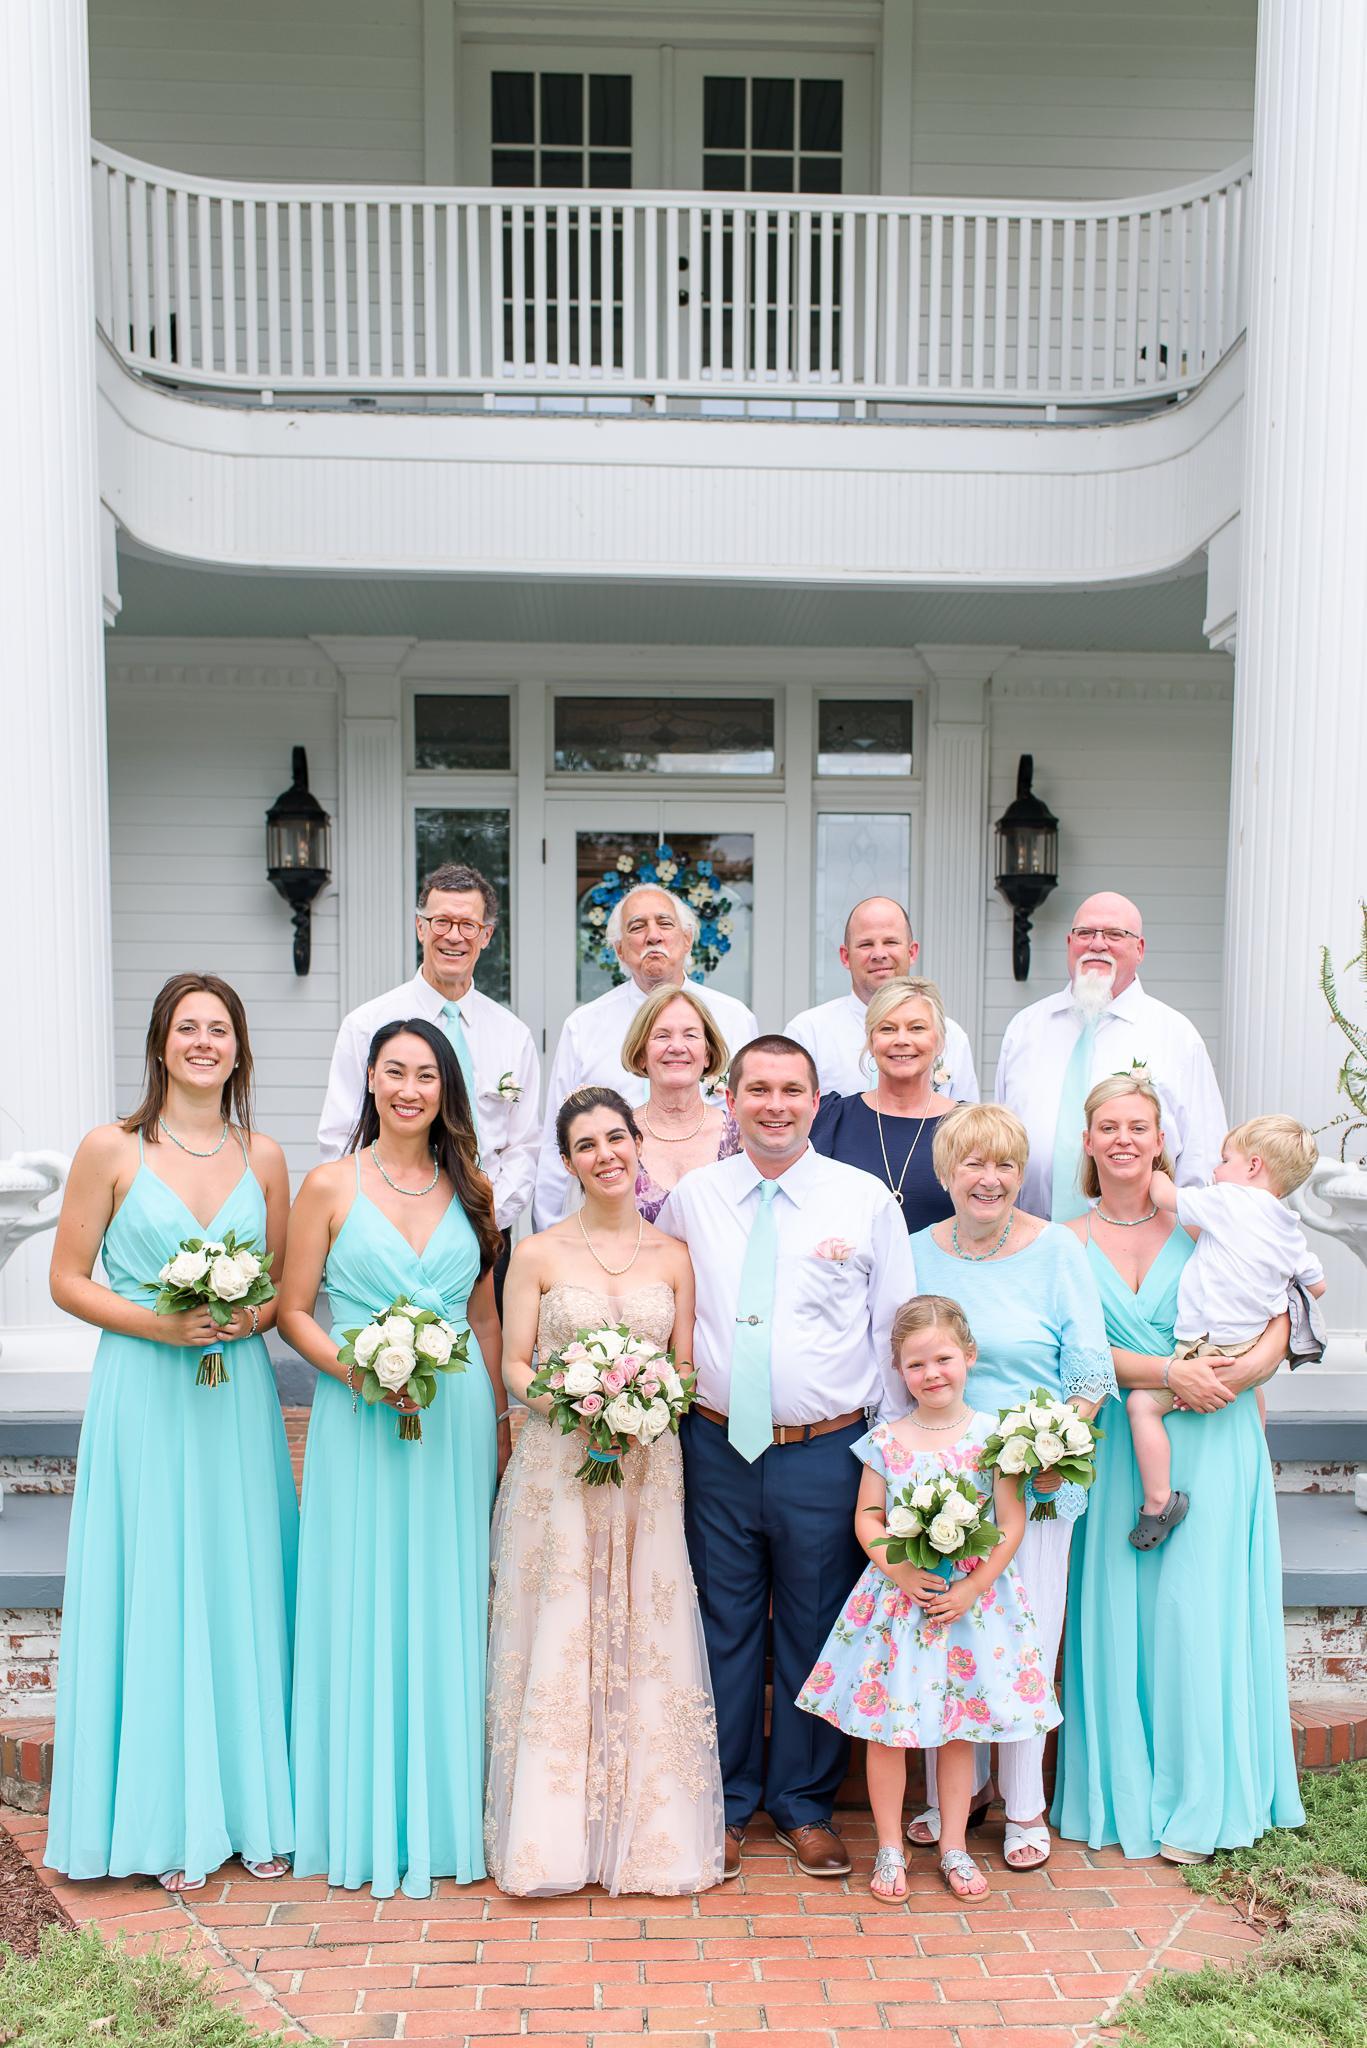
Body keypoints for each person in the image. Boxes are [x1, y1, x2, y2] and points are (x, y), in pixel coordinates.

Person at [45, 974, 296, 1892]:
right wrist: (163, 1324)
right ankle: (161, 1817)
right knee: (154, 1580)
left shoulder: (263, 1156)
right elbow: (67, 1280)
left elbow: (278, 1289)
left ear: (238, 1050)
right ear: (159, 1044)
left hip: (233, 1398)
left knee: (238, 1580)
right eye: (186, 1027)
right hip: (145, 1393)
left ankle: (254, 1809)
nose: (202, 1042)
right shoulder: (110, 1148)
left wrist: (241, 1316)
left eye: (218, 1029)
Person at [656, 1035, 917, 1882]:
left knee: (813, 1628)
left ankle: (804, 1805)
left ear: (814, 1100)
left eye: (791, 1090)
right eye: (758, 1089)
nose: (775, 1105)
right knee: (722, 1628)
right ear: (729, 1099)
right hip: (714, 1445)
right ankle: (726, 1803)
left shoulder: (861, 1198)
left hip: (825, 1452)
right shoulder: (694, 1198)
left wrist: (890, 1460)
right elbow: (663, 1302)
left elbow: (893, 1327)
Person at [281, 1019, 507, 1898]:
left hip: (454, 1421)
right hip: (357, 1414)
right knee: (360, 1591)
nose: (410, 1089)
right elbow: (294, 1311)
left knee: (449, 1596)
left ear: (445, 1091)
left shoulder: (472, 1187)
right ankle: (361, 1810)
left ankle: (446, 1813)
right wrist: (358, 1372)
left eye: (426, 1076)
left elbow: (482, 1319)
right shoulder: (329, 1185)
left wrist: (500, 1426)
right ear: (370, 1081)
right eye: (394, 1072)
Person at [1053, 1074, 1304, 1862]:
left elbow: (1281, 1314)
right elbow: (1070, 1351)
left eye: (1138, 1125)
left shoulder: (1210, 1220)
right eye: (1107, 1126)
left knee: (1198, 1614)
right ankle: (1125, 1792)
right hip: (1118, 1445)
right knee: (1124, 1614)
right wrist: (1167, 1373)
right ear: (1087, 1141)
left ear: (1161, 1140)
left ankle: (1205, 1799)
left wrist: (1241, 1373)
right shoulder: (1063, 1240)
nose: (1123, 1139)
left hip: (1215, 1431)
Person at [485, 1086, 725, 1896]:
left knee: (643, 1629)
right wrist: (575, 1406)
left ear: (637, 1144)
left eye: (616, 1138)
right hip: (559, 1466)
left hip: (647, 1469)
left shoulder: (674, 1256)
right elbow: (515, 1364)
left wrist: (646, 1406)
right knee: (561, 1629)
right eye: (586, 1145)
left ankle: (650, 1834)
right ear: (567, 1162)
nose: (605, 1155)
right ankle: (550, 1836)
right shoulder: (537, 1253)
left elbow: (684, 1366)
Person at [796, 1296, 1060, 1903]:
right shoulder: (886, 1440)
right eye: (915, 1365)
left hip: (969, 1609)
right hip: (899, 1606)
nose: (931, 1374)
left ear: (969, 1356)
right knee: (887, 1731)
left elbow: (1010, 1522)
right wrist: (901, 1572)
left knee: (959, 1729)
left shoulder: (997, 1439)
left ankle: (954, 1846)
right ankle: (890, 1847)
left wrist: (972, 1587)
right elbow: (868, 1516)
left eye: (943, 1359)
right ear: (899, 1371)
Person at [908, 1103, 1113, 1870]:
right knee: (948, 1634)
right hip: (942, 1482)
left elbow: (1088, 1372)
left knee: (1025, 1638)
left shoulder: (1056, 1249)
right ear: (945, 1173)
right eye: (972, 1163)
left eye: (1003, 1165)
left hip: (1033, 1480)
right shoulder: (915, 1253)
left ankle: (1024, 1803)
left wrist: (1051, 1445)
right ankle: (953, 1796)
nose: (988, 1179)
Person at [1127, 1115, 1325, 1547]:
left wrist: (1156, 1166)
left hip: (1209, 1345)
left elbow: (1164, 1195)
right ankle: (1253, 1462)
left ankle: (1158, 1501)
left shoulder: (1227, 1200)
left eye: (1224, 1159)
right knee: (1253, 1393)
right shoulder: (1288, 1226)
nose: (1215, 1170)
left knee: (1142, 1406)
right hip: (1251, 1342)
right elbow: (1317, 1285)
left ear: (1253, 1166)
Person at [317, 863, 539, 1244]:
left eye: (468, 925)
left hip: (486, 1230)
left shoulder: (513, 1036)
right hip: (385, 1231)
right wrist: (377, 1220)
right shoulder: (365, 1025)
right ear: (420, 927)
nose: (453, 936)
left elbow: (524, 1146)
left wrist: (488, 1216)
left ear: (486, 935)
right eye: (441, 922)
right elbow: (342, 1137)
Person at [994, 891, 1227, 1222]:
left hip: (1141, 1240)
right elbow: (1000, 1135)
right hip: (1029, 1233)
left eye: (1115, 934)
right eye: (1085, 933)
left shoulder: (1177, 1036)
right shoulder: (1025, 1028)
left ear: (1140, 949)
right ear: (1069, 943)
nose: (1097, 944)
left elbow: (1202, 1155)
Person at [533, 885, 758, 1227]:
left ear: (687, 939)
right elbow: (557, 1139)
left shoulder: (735, 1019)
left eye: (665, 923)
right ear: (619, 949)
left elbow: (755, 1124)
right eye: (637, 927)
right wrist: (550, 1231)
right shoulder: (583, 1026)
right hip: (611, 1227)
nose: (653, 935)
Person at [786, 897, 978, 1102]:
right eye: (866, 944)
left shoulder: (951, 1035)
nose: (879, 954)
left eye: (891, 942)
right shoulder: (808, 1033)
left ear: (912, 952)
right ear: (845, 956)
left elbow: (966, 1116)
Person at [809, 978, 957, 1233]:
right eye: (887, 1029)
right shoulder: (831, 1119)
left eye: (917, 1028)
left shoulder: (969, 1126)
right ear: (871, 1041)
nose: (901, 1039)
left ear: (939, 1041)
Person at [622, 985, 741, 1222]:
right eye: (662, 1036)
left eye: (690, 1035)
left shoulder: (741, 1136)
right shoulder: (618, 1137)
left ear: (707, 1054)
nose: (677, 1047)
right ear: (641, 1054)